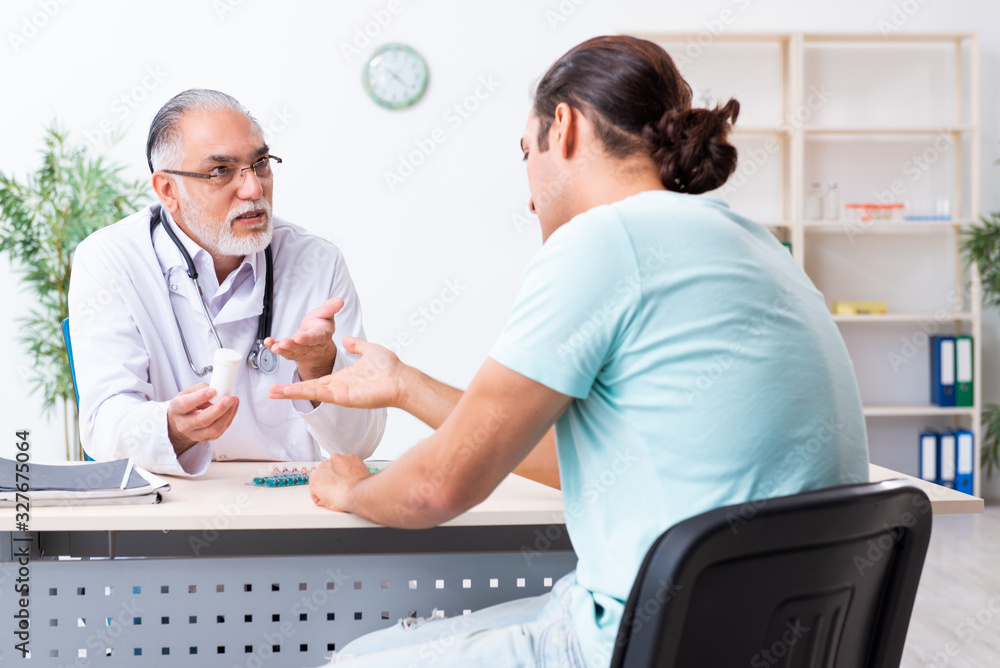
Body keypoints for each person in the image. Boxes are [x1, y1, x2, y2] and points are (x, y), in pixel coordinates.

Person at [270, 36, 869, 667]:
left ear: (565, 126)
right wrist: (407, 385)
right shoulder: (752, 242)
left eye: (526, 153)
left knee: (355, 662)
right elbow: (584, 461)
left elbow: (437, 489)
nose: (529, 197)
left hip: (653, 639)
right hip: (778, 636)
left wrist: (353, 491)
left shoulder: (604, 240)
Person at [68, 89, 386, 477]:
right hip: (169, 508)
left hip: (288, 505)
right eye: (221, 171)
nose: (253, 189)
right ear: (168, 190)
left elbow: (360, 444)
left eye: (261, 163)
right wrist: (172, 428)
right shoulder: (110, 260)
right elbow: (103, 427)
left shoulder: (316, 262)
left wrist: (320, 366)